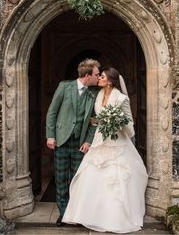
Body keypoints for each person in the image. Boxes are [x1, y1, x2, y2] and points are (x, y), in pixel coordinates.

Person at [63, 68, 148, 233]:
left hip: (117, 143)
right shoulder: (99, 95)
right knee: (90, 177)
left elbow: (130, 127)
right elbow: (96, 120)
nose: (99, 78)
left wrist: (117, 122)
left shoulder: (122, 98)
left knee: (115, 180)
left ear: (109, 80)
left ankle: (114, 218)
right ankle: (88, 215)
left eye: (102, 76)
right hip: (99, 141)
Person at [46, 58, 100, 226]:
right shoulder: (64, 87)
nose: (98, 77)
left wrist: (89, 140)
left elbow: (94, 120)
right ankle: (63, 214)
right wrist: (50, 135)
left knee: (78, 180)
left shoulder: (94, 93)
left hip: (80, 143)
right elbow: (52, 112)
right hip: (61, 140)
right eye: (97, 74)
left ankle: (77, 214)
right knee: (61, 179)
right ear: (87, 75)